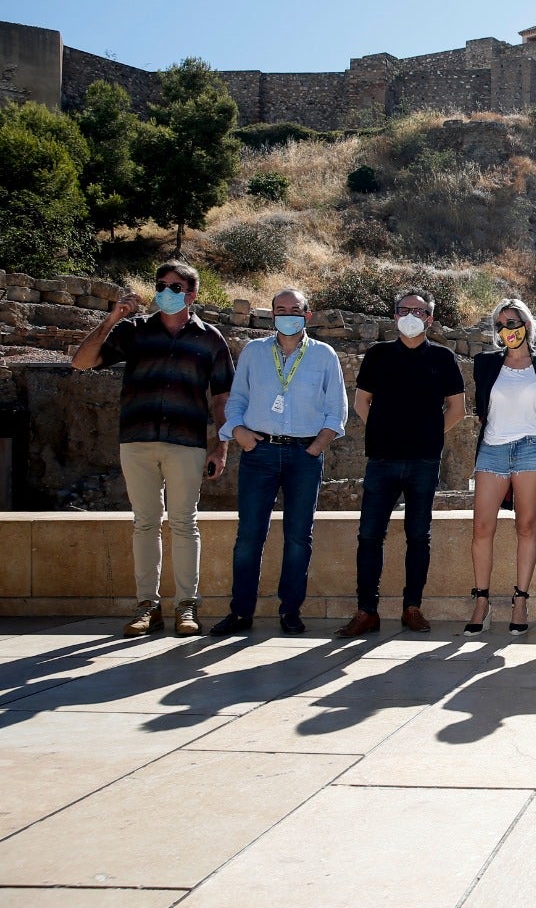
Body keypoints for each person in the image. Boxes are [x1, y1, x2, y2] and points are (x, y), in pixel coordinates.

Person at [70, 261, 233, 638]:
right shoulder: (134, 330)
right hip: (138, 439)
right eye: (161, 285)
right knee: (144, 522)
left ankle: (186, 606)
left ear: (192, 294)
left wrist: (220, 447)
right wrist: (112, 318)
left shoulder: (210, 338)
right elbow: (81, 362)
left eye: (175, 287)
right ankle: (147, 605)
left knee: (184, 523)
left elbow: (222, 399)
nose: (165, 291)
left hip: (187, 442)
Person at [211, 289, 348, 636]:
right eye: (281, 309)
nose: (288, 314)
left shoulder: (324, 355)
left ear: (308, 315)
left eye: (295, 309)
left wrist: (317, 447)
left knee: (299, 537)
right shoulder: (255, 353)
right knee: (249, 536)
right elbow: (236, 399)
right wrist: (239, 432)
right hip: (260, 452)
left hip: (304, 455)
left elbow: (337, 409)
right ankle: (240, 612)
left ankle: (291, 611)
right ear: (271, 314)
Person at [336, 289, 467, 638]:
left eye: (419, 311)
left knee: (419, 537)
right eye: (404, 309)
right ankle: (367, 612)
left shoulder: (443, 357)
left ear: (430, 318)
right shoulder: (377, 355)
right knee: (368, 536)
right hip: (381, 460)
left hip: (424, 461)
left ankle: (412, 608)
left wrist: (426, 434)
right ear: (394, 316)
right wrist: (383, 430)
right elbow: (362, 402)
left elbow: (458, 409)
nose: (411, 315)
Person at [464, 297, 536, 635]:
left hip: (533, 448)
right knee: (482, 527)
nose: (507, 329)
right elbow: (482, 408)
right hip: (492, 449)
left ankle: (520, 601)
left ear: (526, 324)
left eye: (513, 322)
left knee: (526, 527)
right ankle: (481, 600)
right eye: (500, 324)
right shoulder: (485, 363)